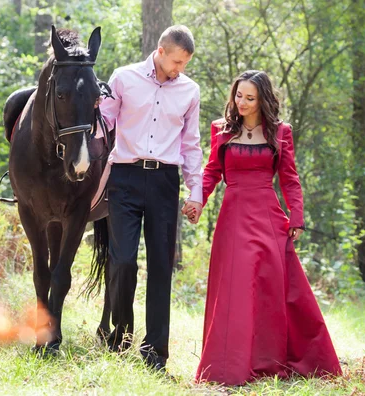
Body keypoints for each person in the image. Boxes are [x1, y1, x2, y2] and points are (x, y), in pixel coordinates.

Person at [187, 70, 341, 385]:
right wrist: (197, 200)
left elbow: (289, 177)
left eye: (249, 98)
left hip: (268, 215)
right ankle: (229, 365)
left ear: (263, 101)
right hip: (233, 216)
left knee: (272, 288)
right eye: (238, 95)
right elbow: (212, 171)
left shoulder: (280, 132)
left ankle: (271, 361)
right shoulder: (222, 130)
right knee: (236, 287)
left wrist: (296, 216)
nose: (241, 102)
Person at [99, 25, 203, 371]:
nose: (180, 69)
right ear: (160, 52)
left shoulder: (190, 91)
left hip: (163, 182)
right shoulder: (124, 78)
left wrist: (196, 191)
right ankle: (120, 335)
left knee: (161, 266)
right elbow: (103, 124)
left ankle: (155, 351)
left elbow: (191, 144)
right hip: (124, 178)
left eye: (185, 63)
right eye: (176, 62)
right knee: (123, 259)